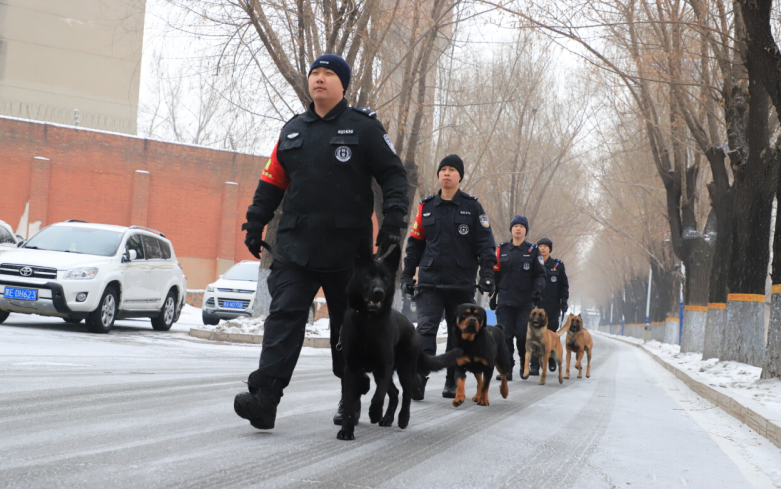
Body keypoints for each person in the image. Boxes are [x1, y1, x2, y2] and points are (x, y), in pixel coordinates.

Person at [233, 54, 409, 430]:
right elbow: (271, 182)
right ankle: (265, 399)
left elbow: (394, 175)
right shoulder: (293, 131)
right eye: (315, 73)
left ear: (343, 84)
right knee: (283, 318)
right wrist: (255, 222)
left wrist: (394, 221)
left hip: (350, 253)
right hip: (296, 247)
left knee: (348, 329)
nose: (319, 78)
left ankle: (350, 398)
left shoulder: (364, 128)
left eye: (329, 73)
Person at [401, 155, 497, 399]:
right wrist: (407, 275)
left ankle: (453, 377)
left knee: (458, 333)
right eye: (443, 169)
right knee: (425, 329)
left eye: (452, 169)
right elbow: (414, 244)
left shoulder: (473, 208)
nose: (446, 173)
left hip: (461, 284)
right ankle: (419, 377)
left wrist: (487, 273)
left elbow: (485, 244)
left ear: (460, 176)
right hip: (429, 282)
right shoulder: (426, 207)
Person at [490, 215, 546, 379]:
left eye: (521, 226)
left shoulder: (533, 251)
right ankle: (507, 368)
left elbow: (540, 274)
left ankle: (524, 363)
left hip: (524, 301)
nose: (518, 229)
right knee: (505, 336)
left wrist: (538, 289)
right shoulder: (501, 250)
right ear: (511, 229)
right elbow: (495, 273)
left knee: (522, 335)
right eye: (515, 226)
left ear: (525, 230)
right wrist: (493, 294)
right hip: (505, 300)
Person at [530, 237, 570, 373]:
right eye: (540, 246)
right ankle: (534, 365)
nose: (542, 248)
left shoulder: (557, 265)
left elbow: (564, 286)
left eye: (545, 246)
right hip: (536, 306)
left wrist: (564, 301)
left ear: (550, 249)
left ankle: (551, 357)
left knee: (551, 334)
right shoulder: (533, 263)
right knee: (535, 335)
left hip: (552, 307)